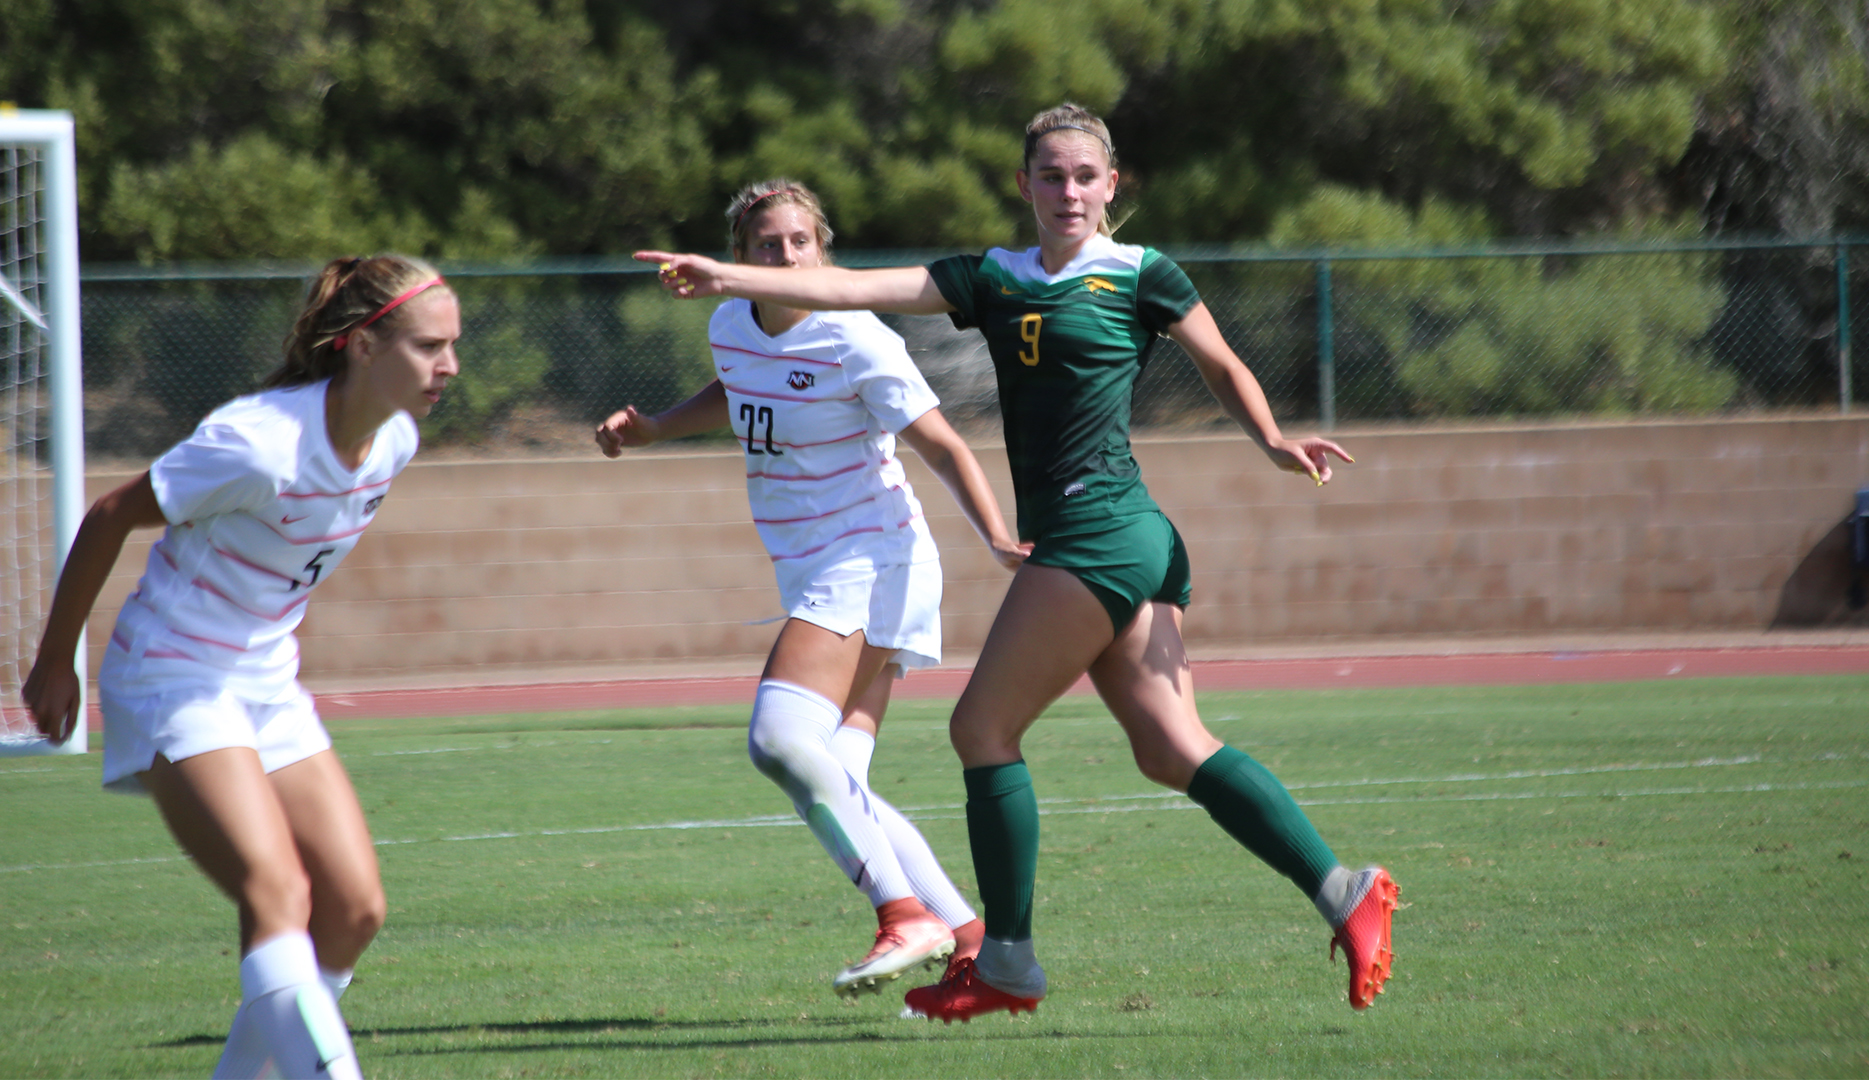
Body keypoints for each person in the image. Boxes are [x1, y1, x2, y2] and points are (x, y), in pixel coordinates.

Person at [632, 104, 1397, 1023]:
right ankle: (1344, 890)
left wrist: (1272, 439)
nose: (1069, 191)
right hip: (1123, 538)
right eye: (1051, 175)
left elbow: (1222, 363)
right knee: (1171, 748)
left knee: (981, 730)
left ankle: (1004, 963)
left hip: (1099, 532)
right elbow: (851, 287)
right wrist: (724, 276)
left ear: (1112, 185)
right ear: (1025, 184)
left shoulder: (1143, 273)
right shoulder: (993, 277)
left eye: (1086, 176)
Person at [22, 256, 459, 1077]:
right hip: (172, 675)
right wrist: (56, 662)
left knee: (355, 910)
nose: (451, 366)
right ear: (364, 345)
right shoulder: (259, 445)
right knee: (278, 892)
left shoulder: (395, 440)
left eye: (452, 346)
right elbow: (110, 514)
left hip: (266, 683)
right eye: (430, 346)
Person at [597, 180, 1025, 998]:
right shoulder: (731, 322)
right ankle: (973, 947)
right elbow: (738, 389)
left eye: (801, 241)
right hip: (819, 568)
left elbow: (941, 444)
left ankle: (904, 915)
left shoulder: (854, 336)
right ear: (741, 256)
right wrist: (656, 427)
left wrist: (998, 538)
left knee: (779, 739)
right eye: (768, 244)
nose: (787, 255)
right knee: (833, 775)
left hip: (873, 560)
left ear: (823, 250)